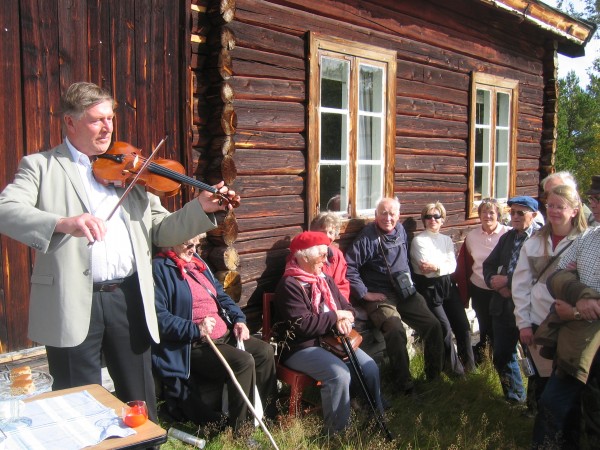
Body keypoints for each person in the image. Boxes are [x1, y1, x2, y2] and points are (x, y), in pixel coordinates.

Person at [0, 82, 239, 422]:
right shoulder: (40, 166)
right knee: (76, 403)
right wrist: (63, 222)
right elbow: (6, 210)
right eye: (97, 120)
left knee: (137, 398)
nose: (108, 127)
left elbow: (162, 229)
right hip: (70, 300)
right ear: (70, 122)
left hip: (127, 297)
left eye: (111, 118)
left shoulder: (130, 170)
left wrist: (200, 207)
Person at [152, 235, 277, 431]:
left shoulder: (198, 263)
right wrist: (195, 328)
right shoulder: (160, 268)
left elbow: (221, 296)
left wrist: (239, 320)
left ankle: (269, 416)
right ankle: (242, 432)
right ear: (170, 240)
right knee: (243, 362)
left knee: (264, 352)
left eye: (197, 244)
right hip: (194, 342)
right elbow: (160, 318)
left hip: (222, 332)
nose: (193, 249)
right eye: (188, 243)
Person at [273, 231, 384, 435]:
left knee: (369, 367)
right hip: (302, 347)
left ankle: (375, 416)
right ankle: (336, 433)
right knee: (338, 374)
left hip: (332, 341)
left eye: (327, 255)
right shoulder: (289, 285)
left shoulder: (325, 280)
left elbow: (348, 307)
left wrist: (345, 318)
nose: (326, 261)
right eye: (322, 256)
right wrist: (335, 317)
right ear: (304, 256)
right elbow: (303, 326)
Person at [345, 197, 443, 395]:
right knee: (395, 330)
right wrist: (365, 293)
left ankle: (434, 377)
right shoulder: (367, 237)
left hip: (406, 292)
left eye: (392, 214)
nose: (388, 218)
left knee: (433, 325)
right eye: (383, 213)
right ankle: (404, 385)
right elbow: (350, 267)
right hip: (382, 297)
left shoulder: (400, 231)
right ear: (375, 215)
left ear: (398, 216)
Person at [512, 185, 587, 416]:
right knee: (542, 379)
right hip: (539, 321)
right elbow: (521, 285)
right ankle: (543, 428)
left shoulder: (586, 241)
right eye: (550, 205)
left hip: (574, 324)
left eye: (560, 206)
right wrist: (523, 323)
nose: (553, 211)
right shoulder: (534, 242)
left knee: (571, 384)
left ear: (574, 210)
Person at [532, 226, 600, 449]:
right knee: (554, 404)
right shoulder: (588, 236)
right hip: (576, 342)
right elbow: (556, 276)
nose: (595, 204)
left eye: (599, 199)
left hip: (587, 334)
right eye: (593, 198)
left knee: (594, 411)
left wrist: (576, 312)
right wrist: (581, 294)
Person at [482, 196, 540, 404]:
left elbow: (539, 274)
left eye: (520, 213)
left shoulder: (541, 239)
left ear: (533, 215)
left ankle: (534, 405)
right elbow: (488, 265)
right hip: (503, 306)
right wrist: (494, 283)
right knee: (502, 355)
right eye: (512, 212)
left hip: (531, 309)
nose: (514, 217)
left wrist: (509, 281)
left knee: (535, 359)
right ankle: (515, 398)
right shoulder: (507, 238)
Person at [411, 202, 475, 376]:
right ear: (424, 220)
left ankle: (470, 367)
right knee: (444, 328)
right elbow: (426, 270)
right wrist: (442, 266)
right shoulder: (419, 241)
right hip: (430, 289)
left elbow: (453, 266)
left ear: (442, 220)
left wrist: (437, 267)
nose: (432, 220)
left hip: (448, 286)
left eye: (436, 216)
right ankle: (455, 372)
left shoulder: (446, 240)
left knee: (462, 325)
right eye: (428, 217)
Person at [455, 198, 510, 362]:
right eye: (484, 212)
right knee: (484, 325)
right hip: (479, 288)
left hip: (500, 290)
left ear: (498, 214)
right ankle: (487, 360)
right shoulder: (472, 237)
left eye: (491, 212)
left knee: (500, 327)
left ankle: (502, 360)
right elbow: (468, 262)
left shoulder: (507, 234)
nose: (488, 216)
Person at [310, 212, 350, 300]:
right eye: (323, 232)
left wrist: (343, 306)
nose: (327, 236)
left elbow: (342, 285)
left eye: (331, 232)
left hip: (334, 303)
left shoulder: (337, 254)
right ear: (313, 232)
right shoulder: (303, 255)